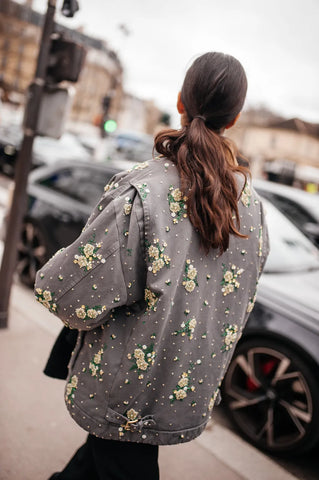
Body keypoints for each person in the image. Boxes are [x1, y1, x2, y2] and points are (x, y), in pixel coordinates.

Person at [34, 51, 269, 480]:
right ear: (232, 119)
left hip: (122, 392)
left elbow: (64, 293)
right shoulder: (251, 207)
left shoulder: (144, 191)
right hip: (182, 389)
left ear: (180, 100)